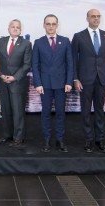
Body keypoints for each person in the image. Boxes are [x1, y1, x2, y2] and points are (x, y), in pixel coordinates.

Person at [71, 9, 105, 153]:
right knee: (85, 111)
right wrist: (75, 78)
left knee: (100, 110)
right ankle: (88, 140)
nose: (96, 19)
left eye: (98, 16)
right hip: (85, 80)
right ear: (87, 18)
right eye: (93, 16)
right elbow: (73, 60)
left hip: (102, 79)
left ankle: (99, 140)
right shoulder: (79, 36)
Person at [32, 14, 73, 153]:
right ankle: (47, 139)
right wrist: (37, 83)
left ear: (57, 25)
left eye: (53, 24)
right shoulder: (38, 42)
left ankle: (60, 140)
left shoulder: (65, 41)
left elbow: (70, 63)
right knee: (46, 113)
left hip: (62, 84)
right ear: (44, 25)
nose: (50, 26)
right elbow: (35, 65)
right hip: (45, 85)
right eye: (48, 24)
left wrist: (69, 81)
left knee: (61, 113)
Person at [0, 19, 32, 147]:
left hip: (18, 82)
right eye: (13, 26)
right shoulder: (0, 42)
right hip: (2, 81)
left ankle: (18, 137)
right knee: (6, 110)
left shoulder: (26, 44)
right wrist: (0, 75)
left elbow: (27, 64)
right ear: (8, 28)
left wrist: (14, 77)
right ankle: (7, 135)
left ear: (21, 30)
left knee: (18, 111)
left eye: (18, 27)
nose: (15, 28)